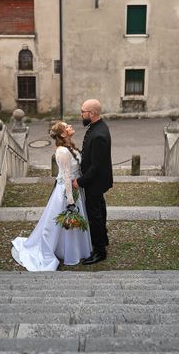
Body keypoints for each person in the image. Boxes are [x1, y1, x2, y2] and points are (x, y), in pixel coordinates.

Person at [11, 121, 92, 271]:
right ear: (62, 134)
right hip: (65, 192)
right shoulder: (62, 151)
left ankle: (75, 250)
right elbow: (67, 176)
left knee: (73, 221)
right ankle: (63, 250)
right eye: (66, 126)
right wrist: (70, 200)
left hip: (75, 188)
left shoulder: (70, 147)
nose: (70, 126)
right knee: (63, 220)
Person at [73, 99, 113, 265]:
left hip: (95, 182)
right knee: (100, 210)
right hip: (97, 182)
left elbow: (96, 166)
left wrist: (80, 182)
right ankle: (103, 239)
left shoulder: (99, 135)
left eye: (83, 111)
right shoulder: (96, 128)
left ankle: (99, 252)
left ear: (92, 113)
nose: (81, 114)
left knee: (94, 215)